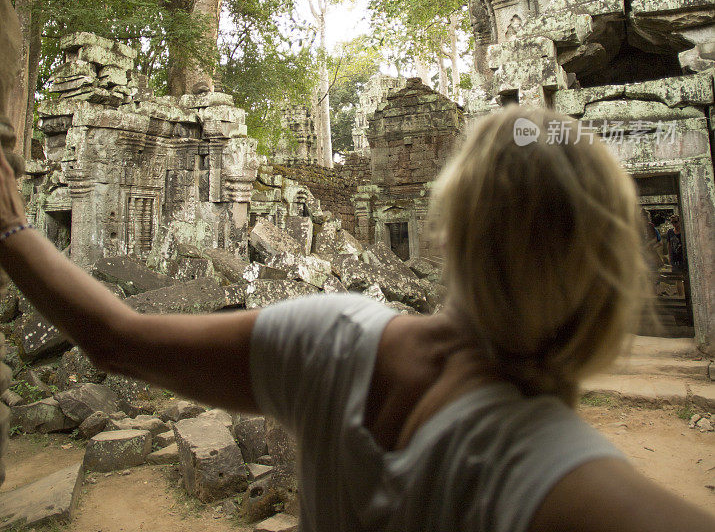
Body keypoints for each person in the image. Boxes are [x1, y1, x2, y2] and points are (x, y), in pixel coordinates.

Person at [0, 106, 712, 532]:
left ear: (449, 230)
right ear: (609, 267)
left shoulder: (332, 340)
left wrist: (10, 222)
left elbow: (113, 339)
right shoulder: (552, 473)